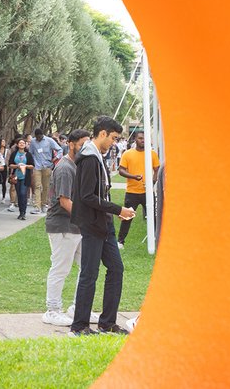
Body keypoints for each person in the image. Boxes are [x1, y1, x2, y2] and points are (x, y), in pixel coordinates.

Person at [70, 116, 136, 336]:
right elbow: (87, 196)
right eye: (113, 138)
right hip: (92, 224)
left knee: (116, 269)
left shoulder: (98, 156)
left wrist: (112, 213)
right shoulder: (89, 158)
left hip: (104, 224)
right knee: (89, 275)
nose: (114, 143)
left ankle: (107, 323)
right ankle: (79, 326)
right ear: (103, 134)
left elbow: (100, 193)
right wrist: (118, 209)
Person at [43, 129, 91, 326]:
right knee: (60, 269)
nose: (85, 149)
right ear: (71, 144)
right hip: (62, 226)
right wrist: (86, 218)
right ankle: (52, 310)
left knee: (86, 268)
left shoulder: (77, 166)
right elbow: (64, 201)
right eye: (82, 145)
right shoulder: (65, 168)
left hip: (77, 227)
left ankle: (77, 308)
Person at [116, 130, 160, 250]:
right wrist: (133, 176)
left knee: (154, 217)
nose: (143, 140)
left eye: (145, 138)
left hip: (147, 192)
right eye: (140, 138)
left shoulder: (152, 154)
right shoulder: (128, 154)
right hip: (132, 192)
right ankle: (120, 242)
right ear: (135, 139)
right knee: (127, 217)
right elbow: (121, 170)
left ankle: (158, 239)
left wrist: (152, 183)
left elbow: (157, 169)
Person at [29, 128, 63, 215]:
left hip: (47, 166)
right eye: (36, 137)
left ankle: (43, 204)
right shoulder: (33, 142)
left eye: (39, 137)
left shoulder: (49, 140)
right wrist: (33, 161)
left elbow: (60, 149)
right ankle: (37, 207)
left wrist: (55, 158)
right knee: (37, 186)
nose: (38, 139)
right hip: (37, 166)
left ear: (42, 135)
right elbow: (31, 152)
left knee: (46, 187)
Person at [8, 137, 35, 220]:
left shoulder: (28, 154)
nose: (21, 144)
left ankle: (23, 212)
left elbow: (32, 166)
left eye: (23, 143)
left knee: (23, 193)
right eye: (20, 143)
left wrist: (25, 166)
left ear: (25, 144)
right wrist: (17, 166)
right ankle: (20, 212)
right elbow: (10, 164)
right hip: (16, 176)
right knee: (19, 194)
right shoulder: (14, 153)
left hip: (25, 176)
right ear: (17, 144)